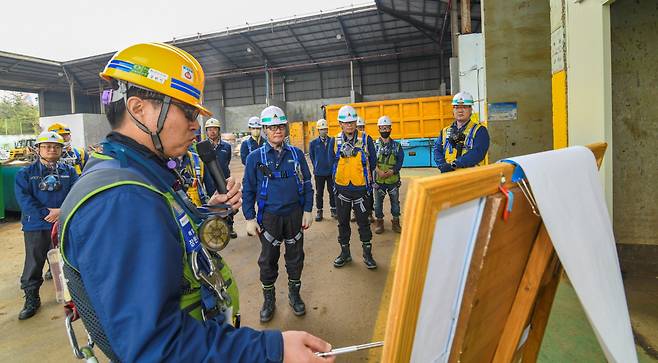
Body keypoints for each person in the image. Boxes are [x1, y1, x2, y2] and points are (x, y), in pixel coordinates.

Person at [58, 43, 332, 362]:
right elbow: (159, 349)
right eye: (188, 111)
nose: (195, 125)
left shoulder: (137, 174)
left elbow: (165, 235)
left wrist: (208, 212)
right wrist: (272, 350)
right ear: (138, 108)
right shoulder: (120, 199)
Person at [242, 106, 314, 323]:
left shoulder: (296, 154)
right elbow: (248, 189)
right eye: (272, 127)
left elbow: (307, 183)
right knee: (267, 260)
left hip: (294, 214)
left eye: (280, 126)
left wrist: (308, 210)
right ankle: (269, 299)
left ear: (286, 128)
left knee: (296, 257)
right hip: (270, 217)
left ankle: (294, 294)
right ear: (264, 130)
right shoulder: (255, 158)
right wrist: (249, 218)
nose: (277, 130)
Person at [15, 131, 78, 320]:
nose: (52, 149)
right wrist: (45, 214)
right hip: (35, 225)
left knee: (66, 260)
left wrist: (61, 212)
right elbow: (24, 199)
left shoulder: (69, 172)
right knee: (34, 262)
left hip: (62, 223)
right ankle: (32, 298)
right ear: (38, 149)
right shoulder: (25, 173)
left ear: (62, 149)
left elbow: (76, 192)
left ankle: (72, 297)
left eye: (56, 146)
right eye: (47, 146)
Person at [330, 105, 378, 270]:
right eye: (346, 122)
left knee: (363, 223)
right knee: (343, 223)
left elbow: (373, 162)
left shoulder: (366, 139)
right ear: (340, 124)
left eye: (352, 122)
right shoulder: (335, 141)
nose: (349, 125)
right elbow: (332, 163)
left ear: (356, 123)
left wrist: (367, 182)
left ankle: (367, 254)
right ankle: (345, 253)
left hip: (361, 190)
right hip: (342, 190)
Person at [433, 91, 490, 172]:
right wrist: (442, 165)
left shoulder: (480, 131)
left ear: (470, 109)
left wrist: (455, 164)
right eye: (456, 107)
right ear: (453, 110)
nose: (460, 110)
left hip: (471, 177)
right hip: (448, 175)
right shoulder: (445, 131)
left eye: (464, 107)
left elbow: (478, 153)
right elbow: (437, 150)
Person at [203, 118, 238, 238]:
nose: (212, 132)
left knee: (228, 203)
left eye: (214, 129)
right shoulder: (203, 148)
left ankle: (230, 227)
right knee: (213, 206)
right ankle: (217, 229)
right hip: (208, 180)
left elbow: (226, 161)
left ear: (219, 131)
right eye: (209, 129)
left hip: (224, 180)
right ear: (206, 131)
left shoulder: (226, 147)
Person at [372, 116, 404, 234]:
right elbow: (370, 160)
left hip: (393, 181)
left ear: (390, 129)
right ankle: (379, 222)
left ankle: (396, 222)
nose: (385, 130)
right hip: (378, 181)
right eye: (382, 128)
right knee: (377, 205)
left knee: (395, 204)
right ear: (379, 128)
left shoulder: (397, 146)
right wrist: (378, 171)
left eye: (387, 128)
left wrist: (392, 171)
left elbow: (400, 161)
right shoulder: (374, 145)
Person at [308, 119, 336, 221]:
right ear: (318, 131)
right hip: (319, 173)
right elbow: (312, 156)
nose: (324, 131)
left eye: (325, 129)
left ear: (327, 130)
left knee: (332, 191)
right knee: (319, 192)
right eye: (321, 129)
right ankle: (319, 211)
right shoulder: (313, 143)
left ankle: (334, 210)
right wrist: (317, 165)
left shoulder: (332, 141)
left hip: (330, 172)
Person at [351, 116, 374, 223]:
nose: (361, 129)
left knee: (368, 193)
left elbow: (373, 157)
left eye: (362, 127)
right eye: (359, 127)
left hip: (366, 172)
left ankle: (369, 213)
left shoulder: (367, 138)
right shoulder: (353, 139)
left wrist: (370, 170)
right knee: (353, 193)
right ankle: (355, 212)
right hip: (354, 172)